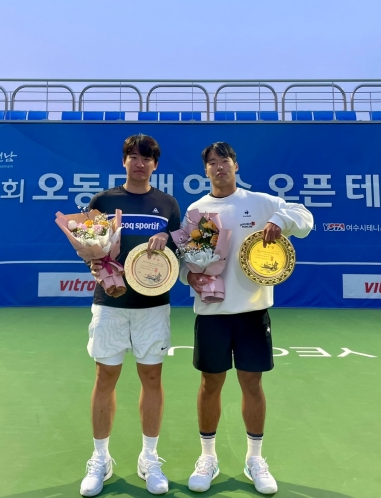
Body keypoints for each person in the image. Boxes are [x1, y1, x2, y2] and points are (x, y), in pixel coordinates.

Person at [181, 141, 313, 495]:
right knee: (210, 385)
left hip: (253, 313)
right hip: (211, 313)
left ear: (235, 166)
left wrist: (279, 220)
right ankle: (207, 457)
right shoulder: (196, 210)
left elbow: (305, 218)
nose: (219, 166)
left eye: (224, 160)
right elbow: (187, 258)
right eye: (211, 162)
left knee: (252, 384)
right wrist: (188, 276)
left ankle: (255, 459)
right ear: (205, 171)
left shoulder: (261, 202)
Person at [80, 133, 181, 497]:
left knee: (152, 379)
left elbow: (180, 250)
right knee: (104, 378)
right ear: (124, 161)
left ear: (156, 164)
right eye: (134, 157)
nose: (140, 163)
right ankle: (100, 459)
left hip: (153, 306)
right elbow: (91, 247)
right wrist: (94, 263)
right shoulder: (103, 201)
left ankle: (149, 458)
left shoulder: (167, 204)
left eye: (147, 158)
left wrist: (169, 240)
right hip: (110, 305)